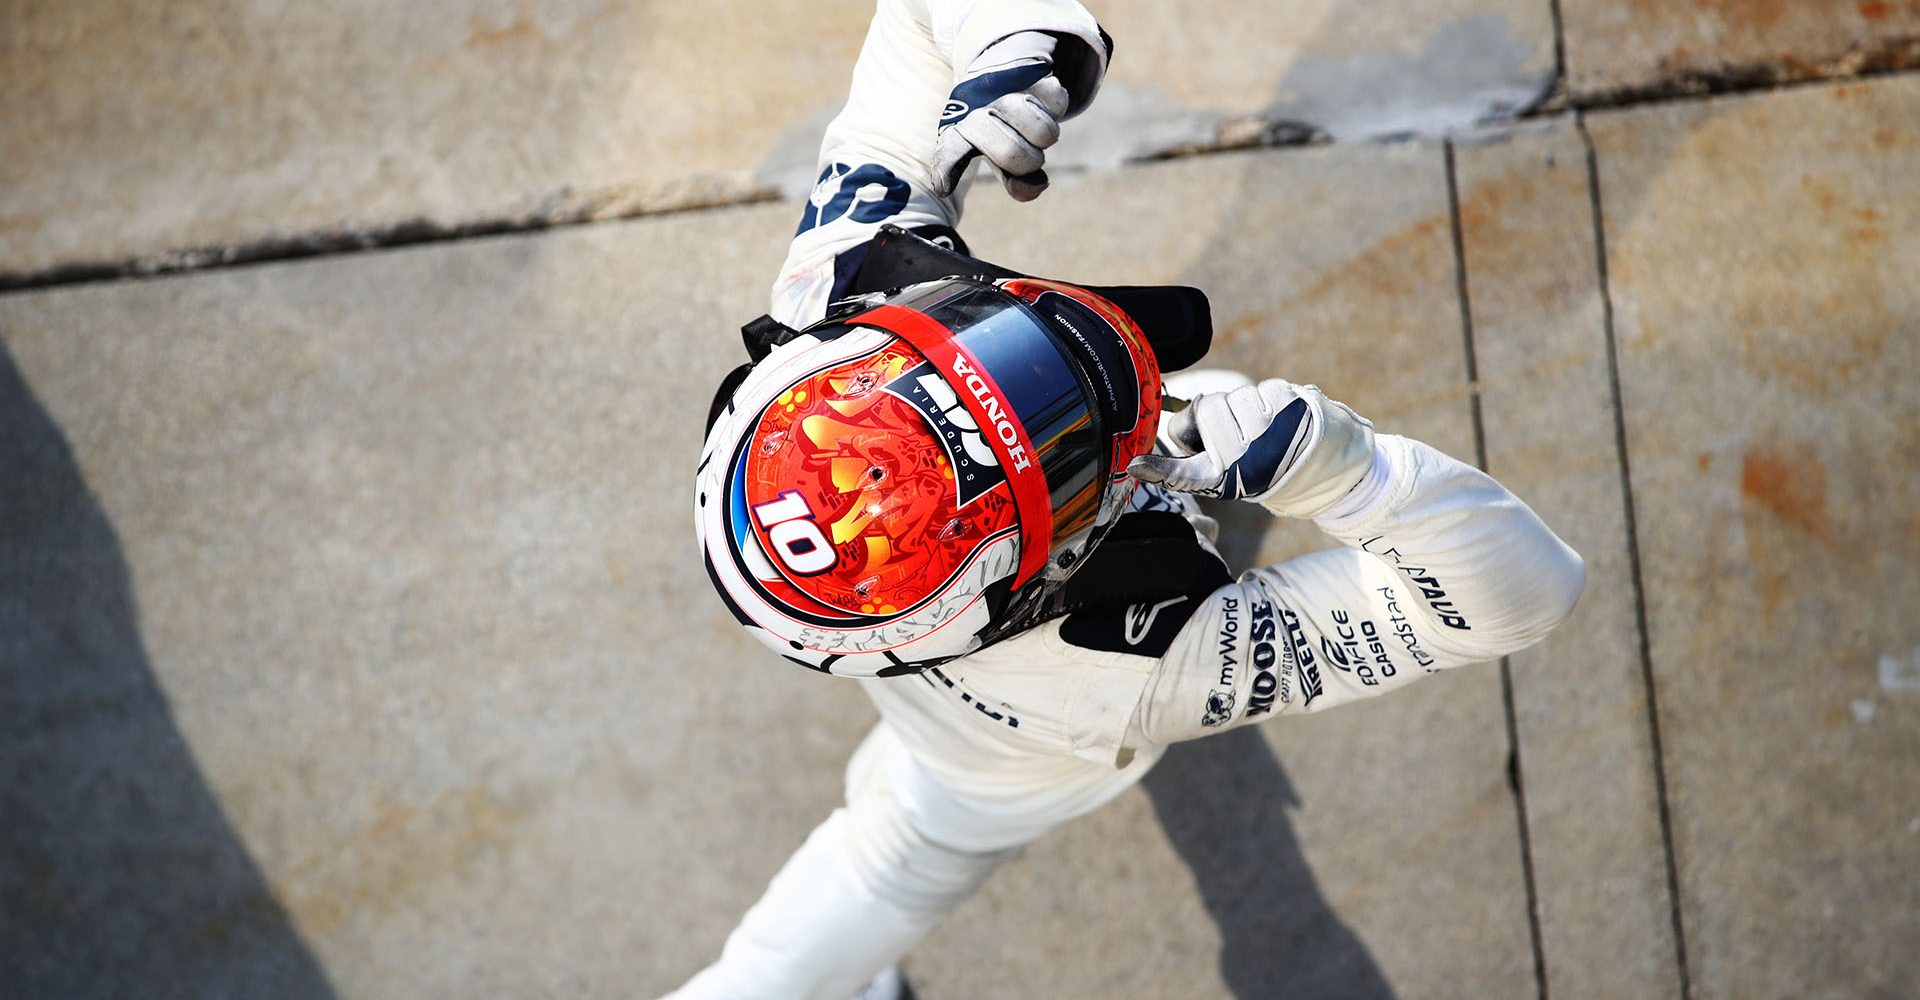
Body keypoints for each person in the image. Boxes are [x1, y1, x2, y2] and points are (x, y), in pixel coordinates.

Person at [672, 1, 1587, 997]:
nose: (1066, 362)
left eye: (982, 342)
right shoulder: (1133, 668)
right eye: (1069, 457)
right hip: (1025, 758)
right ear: (1032, 587)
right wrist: (1351, 472)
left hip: (951, 726)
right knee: (897, 852)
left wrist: (1009, 35)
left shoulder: (838, 298)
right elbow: (1526, 596)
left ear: (825, 369)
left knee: (876, 869)